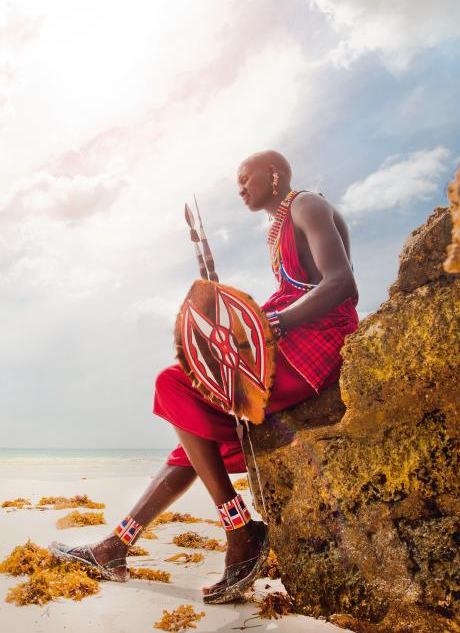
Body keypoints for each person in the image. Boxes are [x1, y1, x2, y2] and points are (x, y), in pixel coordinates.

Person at [50, 150, 359, 604]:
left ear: (274, 175)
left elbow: (341, 284)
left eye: (246, 177)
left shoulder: (306, 205)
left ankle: (241, 532)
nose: (240, 187)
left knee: (172, 383)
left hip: (313, 345)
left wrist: (272, 324)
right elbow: (291, 293)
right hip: (290, 338)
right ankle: (115, 547)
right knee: (192, 437)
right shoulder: (277, 227)